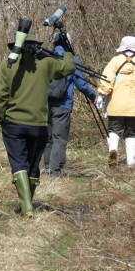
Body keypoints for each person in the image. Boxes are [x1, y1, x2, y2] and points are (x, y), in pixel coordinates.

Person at [0, 29, 76, 216]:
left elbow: (0, 95)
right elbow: (69, 66)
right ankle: (27, 205)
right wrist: (68, 48)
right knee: (33, 165)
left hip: (13, 123)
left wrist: (1, 116)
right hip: (39, 125)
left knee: (18, 163)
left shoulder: (8, 64)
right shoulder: (46, 63)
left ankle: (27, 207)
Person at [43, 32, 97, 176]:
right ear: (68, 43)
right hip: (63, 103)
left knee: (48, 136)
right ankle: (55, 171)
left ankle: (48, 165)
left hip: (45, 103)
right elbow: (81, 84)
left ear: (53, 43)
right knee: (59, 137)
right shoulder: (72, 60)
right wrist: (93, 95)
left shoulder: (45, 57)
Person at [96, 35, 135, 167]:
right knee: (131, 134)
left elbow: (107, 81)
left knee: (114, 131)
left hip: (116, 105)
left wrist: (101, 95)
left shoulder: (115, 61)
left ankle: (113, 150)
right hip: (133, 108)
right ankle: (131, 162)